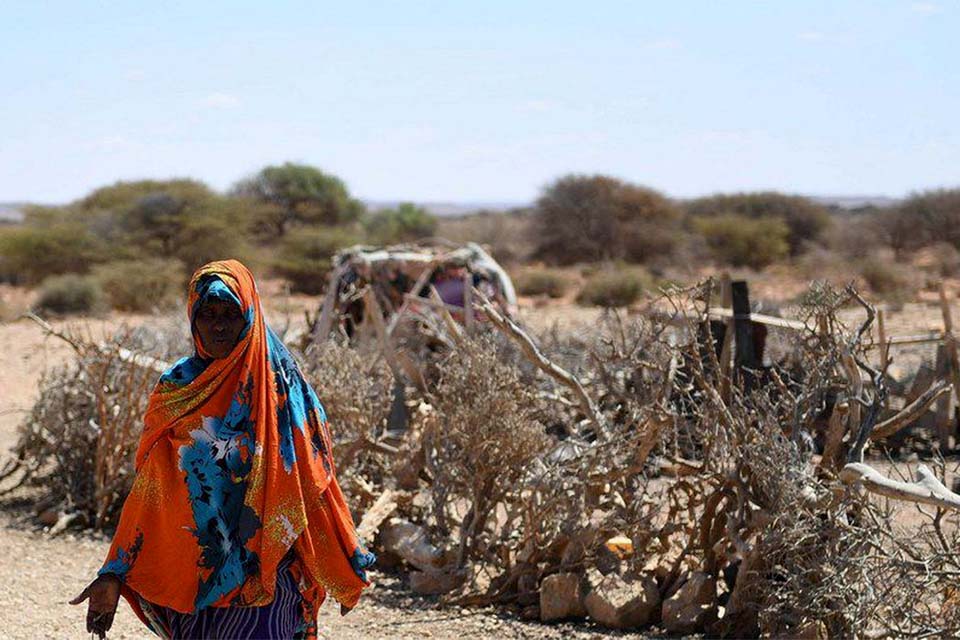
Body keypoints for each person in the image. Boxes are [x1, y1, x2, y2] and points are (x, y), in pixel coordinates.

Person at [71, 259, 375, 639]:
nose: (218, 326)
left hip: (268, 572)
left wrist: (340, 563)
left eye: (230, 314)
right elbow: (152, 490)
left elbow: (313, 482)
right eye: (208, 314)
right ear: (193, 318)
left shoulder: (282, 388)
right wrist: (113, 572)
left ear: (249, 314)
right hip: (193, 576)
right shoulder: (178, 389)